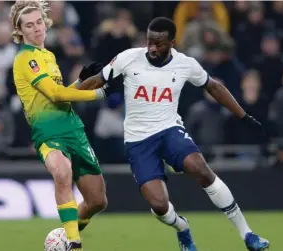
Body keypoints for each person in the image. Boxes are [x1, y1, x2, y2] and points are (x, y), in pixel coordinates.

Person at [78, 17, 269, 251]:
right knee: (159, 204)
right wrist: (63, 95)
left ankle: (248, 234)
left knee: (200, 169)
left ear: (172, 43)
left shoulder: (185, 64)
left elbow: (214, 87)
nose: (152, 48)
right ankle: (182, 227)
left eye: (159, 44)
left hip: (169, 130)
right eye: (149, 42)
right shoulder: (128, 58)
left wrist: (243, 116)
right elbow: (95, 82)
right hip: (138, 141)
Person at [8, 1, 121, 250]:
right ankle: (73, 242)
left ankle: (63, 234)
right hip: (48, 131)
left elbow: (61, 94)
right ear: (20, 31)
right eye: (29, 25)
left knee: (97, 200)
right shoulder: (25, 59)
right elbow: (56, 95)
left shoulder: (48, 56)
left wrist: (82, 82)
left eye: (39, 22)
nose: (36, 28)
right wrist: (98, 94)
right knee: (62, 173)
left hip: (73, 128)